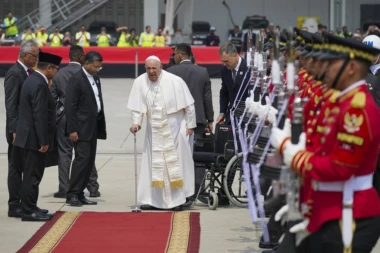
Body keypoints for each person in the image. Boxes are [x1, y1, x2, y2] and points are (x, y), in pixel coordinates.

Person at [281, 33, 380, 253]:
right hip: (329, 206)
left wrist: (295, 156)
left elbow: (340, 167)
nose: (324, 68)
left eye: (331, 63)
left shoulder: (357, 109)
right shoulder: (340, 102)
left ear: (351, 68)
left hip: (350, 212)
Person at [127, 55, 196, 211]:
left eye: (154, 68)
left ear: (160, 68)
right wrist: (136, 123)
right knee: (154, 164)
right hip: (154, 131)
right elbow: (137, 108)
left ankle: (176, 201)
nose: (151, 72)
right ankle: (154, 201)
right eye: (148, 69)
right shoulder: (140, 82)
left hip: (174, 128)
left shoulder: (175, 81)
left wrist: (190, 126)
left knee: (173, 165)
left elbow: (189, 106)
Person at [14, 51, 62, 221]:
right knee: (32, 176)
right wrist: (43, 140)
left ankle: (31, 206)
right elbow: (39, 114)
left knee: (32, 175)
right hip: (34, 139)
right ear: (49, 68)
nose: (56, 72)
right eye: (56, 69)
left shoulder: (34, 80)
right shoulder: (39, 84)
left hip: (29, 137)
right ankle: (28, 211)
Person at [50, 46, 102, 199]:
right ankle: (92, 187)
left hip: (64, 117)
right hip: (82, 119)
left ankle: (64, 187)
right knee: (85, 154)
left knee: (65, 154)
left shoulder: (59, 75)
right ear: (80, 57)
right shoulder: (85, 75)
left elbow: (52, 96)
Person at [65, 51, 107, 206]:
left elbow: (97, 102)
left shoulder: (95, 78)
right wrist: (72, 129)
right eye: (96, 67)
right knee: (81, 160)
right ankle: (72, 194)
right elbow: (70, 106)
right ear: (87, 63)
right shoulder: (76, 79)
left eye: (100, 67)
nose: (98, 69)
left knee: (89, 162)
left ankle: (81, 192)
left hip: (93, 126)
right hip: (80, 128)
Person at [4, 40, 39, 218]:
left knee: (28, 167)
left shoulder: (29, 73)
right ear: (25, 55)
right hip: (18, 131)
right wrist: (13, 129)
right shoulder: (15, 74)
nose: (37, 59)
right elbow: (11, 105)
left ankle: (27, 203)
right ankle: (14, 203)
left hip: (28, 130)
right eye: (35, 56)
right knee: (16, 167)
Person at [216, 42, 250, 124]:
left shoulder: (248, 68)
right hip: (231, 116)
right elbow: (224, 92)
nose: (224, 64)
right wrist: (222, 112)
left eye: (226, 61)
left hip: (247, 116)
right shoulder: (224, 69)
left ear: (235, 55)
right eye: (222, 61)